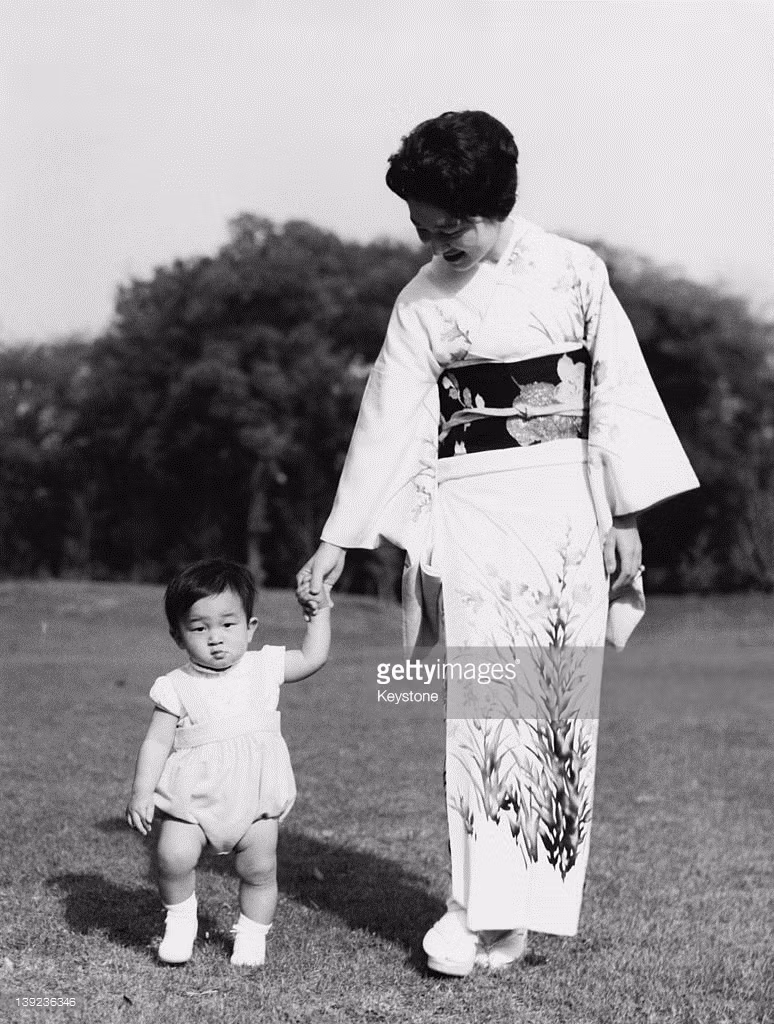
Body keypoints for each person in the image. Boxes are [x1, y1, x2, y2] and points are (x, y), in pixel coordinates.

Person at [297, 110, 699, 976]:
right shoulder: (420, 302)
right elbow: (388, 423)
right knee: (483, 710)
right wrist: (339, 537)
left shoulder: (575, 273)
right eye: (420, 227)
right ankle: (473, 908)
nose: (434, 242)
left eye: (448, 226)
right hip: (472, 511)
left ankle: (511, 921)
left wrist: (623, 514)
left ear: (493, 203)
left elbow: (616, 397)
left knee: (554, 710)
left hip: (562, 507)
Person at [127, 559, 331, 966]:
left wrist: (319, 613)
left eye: (228, 625)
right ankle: (181, 917)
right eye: (199, 628)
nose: (215, 638)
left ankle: (252, 935)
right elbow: (156, 742)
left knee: (259, 869)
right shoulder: (176, 685)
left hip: (255, 798)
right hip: (193, 801)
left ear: (251, 628)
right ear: (178, 636)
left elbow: (313, 657)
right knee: (172, 856)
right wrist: (142, 791)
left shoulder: (263, 667)